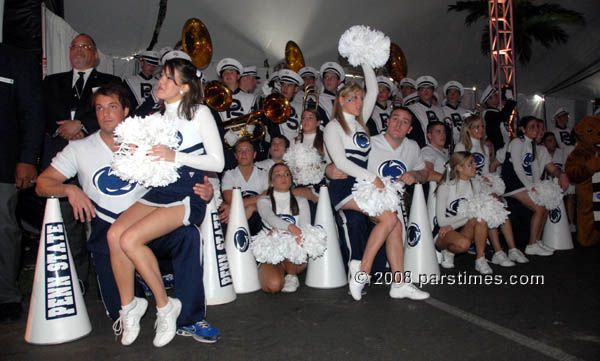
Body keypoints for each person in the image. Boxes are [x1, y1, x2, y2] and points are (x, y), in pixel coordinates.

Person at [36, 82, 220, 343]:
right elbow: (42, 184)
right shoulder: (79, 148)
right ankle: (135, 300)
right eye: (99, 108)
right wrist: (69, 190)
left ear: (125, 111)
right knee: (115, 311)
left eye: (112, 107)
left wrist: (204, 188)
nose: (106, 114)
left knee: (187, 234)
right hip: (108, 230)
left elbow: (183, 165)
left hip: (150, 220)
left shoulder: (147, 138)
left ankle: (188, 317)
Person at [106, 56, 224, 347]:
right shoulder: (155, 116)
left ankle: (164, 306)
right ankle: (129, 307)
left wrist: (175, 156)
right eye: (162, 75)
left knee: (131, 239)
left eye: (170, 78)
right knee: (114, 234)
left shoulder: (199, 113)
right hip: (159, 191)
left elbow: (218, 162)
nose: (161, 80)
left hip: (186, 191)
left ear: (184, 87)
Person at [323, 61, 428, 301]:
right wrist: (373, 178)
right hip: (345, 186)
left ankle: (399, 283)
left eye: (360, 99)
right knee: (390, 218)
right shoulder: (333, 126)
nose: (359, 103)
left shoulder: (360, 123)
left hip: (363, 185)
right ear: (340, 100)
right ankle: (363, 272)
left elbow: (372, 89)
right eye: (352, 98)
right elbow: (341, 163)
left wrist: (366, 61)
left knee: (396, 225)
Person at [42, 33, 123, 292]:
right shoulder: (51, 82)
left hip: (100, 161)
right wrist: (64, 130)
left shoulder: (111, 82)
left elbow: (123, 111)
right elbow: (37, 114)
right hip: (62, 162)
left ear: (95, 54)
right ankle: (76, 282)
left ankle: (109, 281)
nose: (79, 50)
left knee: (107, 222)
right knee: (68, 225)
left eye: (86, 46)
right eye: (75, 46)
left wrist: (84, 126)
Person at [0, 43, 44, 322]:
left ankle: (6, 297)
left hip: (3, 164)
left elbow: (32, 112)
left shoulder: (15, 57)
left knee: (3, 228)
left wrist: (28, 158)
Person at [453, 116, 528, 268]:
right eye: (477, 127)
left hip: (481, 187)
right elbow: (459, 174)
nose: (481, 130)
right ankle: (498, 251)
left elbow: (486, 173)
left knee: (500, 207)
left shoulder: (485, 148)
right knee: (491, 207)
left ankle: (512, 249)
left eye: (482, 127)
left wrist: (491, 186)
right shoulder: (460, 147)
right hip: (466, 188)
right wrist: (483, 187)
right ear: (467, 129)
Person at [501, 116, 569, 257]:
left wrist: (537, 186)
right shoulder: (517, 142)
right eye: (531, 127)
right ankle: (531, 245)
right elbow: (518, 168)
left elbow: (534, 169)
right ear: (523, 129)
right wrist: (530, 186)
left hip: (524, 183)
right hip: (512, 184)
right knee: (539, 207)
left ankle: (537, 241)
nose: (536, 130)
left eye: (537, 127)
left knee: (544, 204)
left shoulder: (532, 145)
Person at [256, 163, 312, 293]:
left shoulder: (301, 201)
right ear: (271, 182)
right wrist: (291, 227)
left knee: (287, 239)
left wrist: (291, 232)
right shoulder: (263, 201)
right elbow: (270, 218)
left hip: (295, 255)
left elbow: (305, 228)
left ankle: (291, 275)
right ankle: (280, 271)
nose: (283, 177)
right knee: (273, 286)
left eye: (287, 174)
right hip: (270, 254)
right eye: (278, 175)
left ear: (291, 179)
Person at [435, 152, 491, 273]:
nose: (475, 166)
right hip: (444, 231)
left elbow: (476, 213)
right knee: (464, 244)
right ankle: (448, 250)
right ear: (459, 168)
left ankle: (480, 259)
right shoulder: (445, 186)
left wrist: (457, 223)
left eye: (474, 163)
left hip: (460, 227)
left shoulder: (475, 184)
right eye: (470, 164)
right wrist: (468, 215)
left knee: (481, 217)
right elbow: (441, 221)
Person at [221, 138, 269, 235]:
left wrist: (252, 207)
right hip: (234, 213)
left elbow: (269, 199)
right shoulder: (229, 175)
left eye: (247, 150)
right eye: (240, 151)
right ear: (236, 155)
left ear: (254, 154)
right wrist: (260, 197)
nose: (243, 153)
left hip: (258, 214)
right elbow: (231, 202)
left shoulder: (264, 174)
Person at [481, 84, 516, 152]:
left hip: (503, 145)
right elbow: (503, 116)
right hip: (496, 146)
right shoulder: (488, 113)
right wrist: (510, 101)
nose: (497, 97)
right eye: (495, 96)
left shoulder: (495, 111)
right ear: (489, 100)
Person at [273, 69, 304, 142]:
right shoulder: (273, 104)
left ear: (296, 89)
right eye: (283, 84)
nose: (285, 88)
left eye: (289, 85)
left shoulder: (302, 107)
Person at [441, 81, 468, 147]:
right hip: (449, 146)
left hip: (465, 145)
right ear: (446, 95)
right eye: (450, 93)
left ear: (459, 96)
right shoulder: (441, 111)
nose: (452, 95)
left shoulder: (466, 112)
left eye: (455, 92)